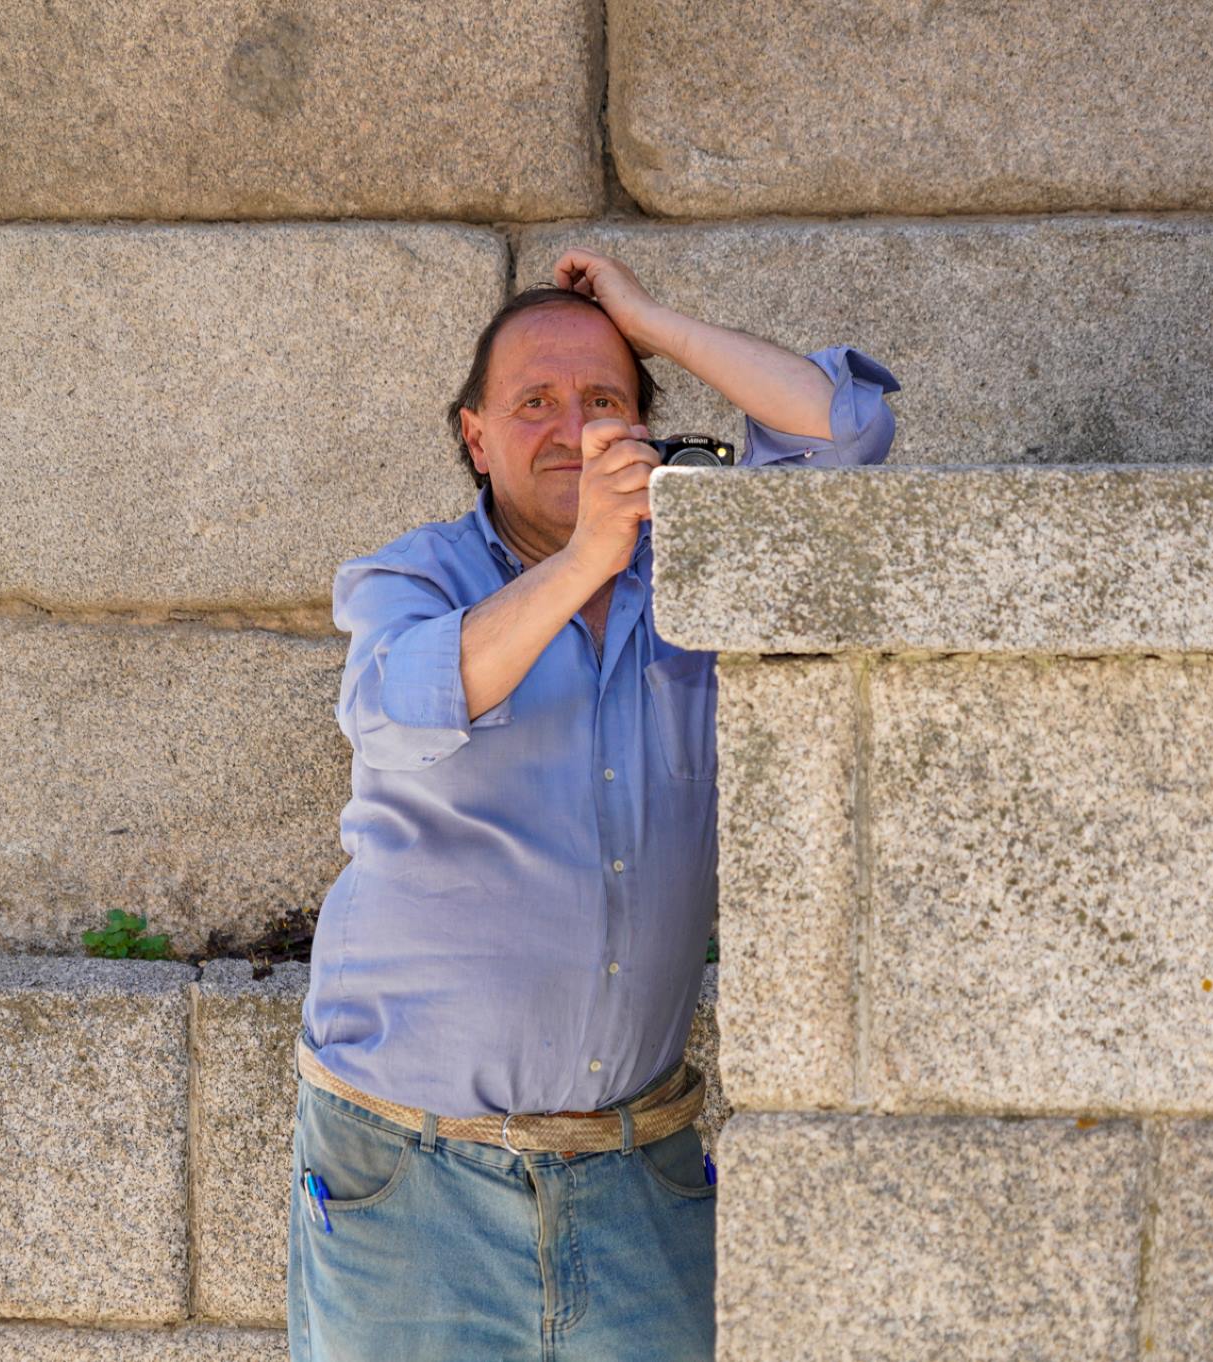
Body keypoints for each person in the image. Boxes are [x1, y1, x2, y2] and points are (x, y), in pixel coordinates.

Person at [286, 246, 901, 1361]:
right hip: (410, 1171)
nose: (571, 426)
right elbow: (397, 708)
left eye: (604, 401)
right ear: (475, 437)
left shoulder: (701, 573)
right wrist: (586, 555)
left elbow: (845, 433)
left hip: (635, 1171)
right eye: (535, 404)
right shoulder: (411, 577)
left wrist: (652, 320)